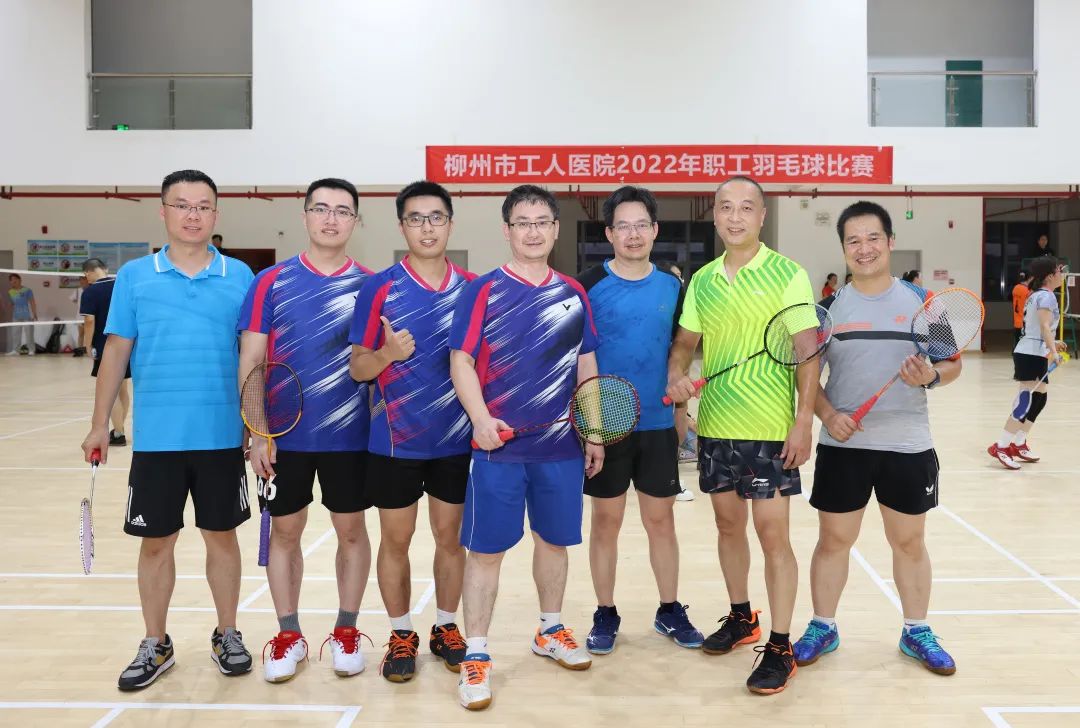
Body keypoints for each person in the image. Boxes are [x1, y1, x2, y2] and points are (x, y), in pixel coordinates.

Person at [80, 169, 255, 691]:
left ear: (215, 214)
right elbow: (116, 351)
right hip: (157, 438)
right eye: (182, 205)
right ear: (163, 212)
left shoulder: (240, 275)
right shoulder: (135, 276)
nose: (192, 215)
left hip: (222, 435)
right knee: (156, 543)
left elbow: (252, 356)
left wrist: (256, 424)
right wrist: (98, 425)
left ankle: (228, 633)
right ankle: (156, 642)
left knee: (222, 537)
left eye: (202, 206)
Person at [791, 201, 961, 677]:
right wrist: (829, 415)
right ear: (843, 248)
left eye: (872, 239)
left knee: (908, 541)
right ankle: (823, 626)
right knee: (833, 540)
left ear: (890, 242)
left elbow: (952, 365)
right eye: (853, 241)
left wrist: (930, 376)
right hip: (844, 447)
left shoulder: (924, 303)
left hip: (907, 445)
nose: (863, 248)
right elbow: (808, 378)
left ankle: (916, 630)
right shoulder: (827, 310)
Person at [449, 185, 601, 711]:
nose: (532, 231)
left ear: (555, 229)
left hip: (560, 447)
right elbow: (461, 361)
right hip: (497, 448)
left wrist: (593, 430)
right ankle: (476, 653)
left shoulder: (573, 293)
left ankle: (550, 629)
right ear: (507, 230)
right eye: (522, 222)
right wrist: (480, 419)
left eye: (542, 222)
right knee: (486, 551)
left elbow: (586, 364)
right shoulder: (482, 291)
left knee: (554, 542)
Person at [666, 176, 816, 695]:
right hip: (716, 426)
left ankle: (780, 644)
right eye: (726, 207)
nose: (735, 217)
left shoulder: (788, 274)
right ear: (714, 215)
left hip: (770, 429)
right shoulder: (703, 280)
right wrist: (677, 375)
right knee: (728, 527)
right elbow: (685, 343)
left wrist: (803, 420)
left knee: (774, 537)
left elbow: (807, 352)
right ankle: (741, 616)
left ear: (762, 216)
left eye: (746, 208)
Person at [238, 178, 374, 683]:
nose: (331, 219)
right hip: (285, 437)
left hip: (351, 437)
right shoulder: (270, 282)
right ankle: (289, 635)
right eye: (321, 209)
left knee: (352, 532)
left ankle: (346, 632)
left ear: (355, 221)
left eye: (342, 211)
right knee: (285, 533)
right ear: (305, 217)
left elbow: (377, 362)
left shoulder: (371, 286)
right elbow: (251, 359)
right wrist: (258, 431)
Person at [348, 180, 473, 682]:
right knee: (395, 540)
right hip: (395, 441)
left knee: (450, 539)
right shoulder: (378, 288)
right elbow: (358, 368)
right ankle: (401, 634)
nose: (427, 227)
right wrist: (388, 354)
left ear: (450, 224)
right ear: (402, 226)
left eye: (436, 217)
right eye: (416, 218)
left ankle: (446, 626)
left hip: (456, 440)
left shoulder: (473, 288)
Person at [576, 186, 704, 657]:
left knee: (661, 521)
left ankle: (669, 609)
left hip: (656, 423)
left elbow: (680, 351)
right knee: (606, 522)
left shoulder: (672, 285)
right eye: (623, 226)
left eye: (641, 226)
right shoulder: (588, 285)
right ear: (609, 233)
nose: (633, 235)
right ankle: (605, 612)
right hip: (606, 424)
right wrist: (591, 428)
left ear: (655, 230)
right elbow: (580, 358)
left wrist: (680, 409)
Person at [987, 256, 1066, 470]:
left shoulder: (1038, 295)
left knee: (1040, 398)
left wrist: (1053, 343)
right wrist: (1053, 350)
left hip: (1033, 351)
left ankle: (1018, 443)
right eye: (1060, 270)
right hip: (1030, 353)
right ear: (1050, 275)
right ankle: (1001, 446)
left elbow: (1037, 328)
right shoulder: (1046, 296)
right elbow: (1044, 326)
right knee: (1025, 401)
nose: (1062, 274)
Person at [80, 258, 130, 445]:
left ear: (88, 273)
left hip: (105, 345)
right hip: (128, 342)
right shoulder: (122, 286)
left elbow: (89, 321)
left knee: (111, 390)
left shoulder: (90, 292)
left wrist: (87, 345)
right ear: (106, 269)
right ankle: (118, 429)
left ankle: (118, 433)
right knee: (123, 388)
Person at [6, 273, 37, 355]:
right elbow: (13, 302)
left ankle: (31, 350)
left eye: (15, 279)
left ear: (20, 280)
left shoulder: (27, 290)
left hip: (27, 314)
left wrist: (34, 313)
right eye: (11, 280)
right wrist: (9, 305)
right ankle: (16, 350)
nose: (13, 281)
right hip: (16, 315)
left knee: (29, 333)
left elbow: (32, 302)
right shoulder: (10, 291)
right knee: (15, 333)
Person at [1012, 270, 1033, 344]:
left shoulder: (1015, 288)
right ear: (1030, 278)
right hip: (1024, 323)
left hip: (1017, 321)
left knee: (1017, 344)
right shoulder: (1027, 291)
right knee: (1023, 345)